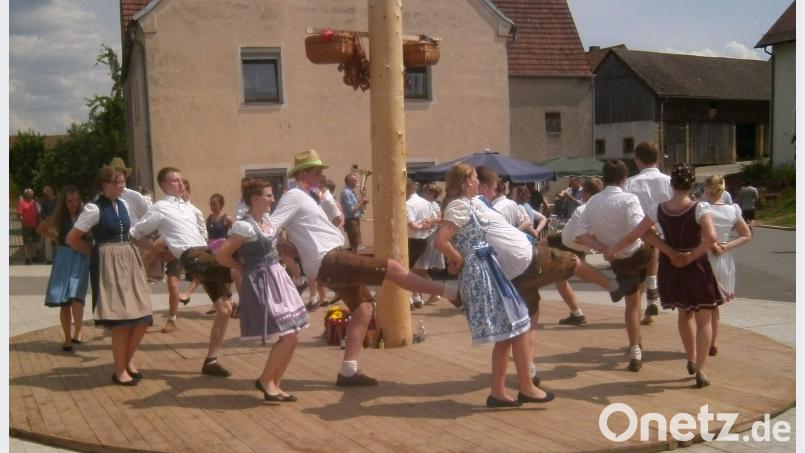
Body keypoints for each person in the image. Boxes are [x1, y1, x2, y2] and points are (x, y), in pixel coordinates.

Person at [270, 150, 458, 386]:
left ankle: (349, 370)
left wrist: (295, 249)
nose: (321, 175)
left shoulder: (307, 197)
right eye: (317, 171)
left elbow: (308, 234)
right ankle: (451, 292)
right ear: (303, 173)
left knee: (364, 309)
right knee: (392, 267)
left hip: (330, 259)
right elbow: (270, 226)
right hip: (330, 260)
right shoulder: (294, 196)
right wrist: (279, 244)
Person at [474, 166, 624, 383]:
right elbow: (527, 222)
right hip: (527, 259)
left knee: (529, 318)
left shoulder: (483, 207)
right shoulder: (485, 206)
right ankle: (612, 286)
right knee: (571, 263)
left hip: (508, 271)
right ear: (486, 186)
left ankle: (528, 372)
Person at [435, 163, 553, 407]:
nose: (478, 180)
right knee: (516, 324)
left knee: (512, 328)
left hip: (487, 267)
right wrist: (458, 258)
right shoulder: (459, 204)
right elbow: (441, 240)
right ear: (468, 180)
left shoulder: (466, 203)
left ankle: (502, 391)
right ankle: (523, 388)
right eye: (476, 177)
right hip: (481, 271)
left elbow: (454, 227)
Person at [605, 163, 722, 388]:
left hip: (671, 266)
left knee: (684, 314)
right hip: (695, 267)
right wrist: (691, 255)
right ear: (692, 184)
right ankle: (700, 368)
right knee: (703, 318)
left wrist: (614, 250)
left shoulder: (658, 209)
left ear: (672, 184)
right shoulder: (700, 208)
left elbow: (638, 234)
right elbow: (711, 238)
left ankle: (690, 358)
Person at [130, 167, 236, 377]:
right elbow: (134, 234)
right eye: (175, 181)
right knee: (238, 271)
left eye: (181, 180)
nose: (180, 184)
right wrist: (157, 248)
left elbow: (201, 235)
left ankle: (211, 360)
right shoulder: (160, 208)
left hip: (206, 253)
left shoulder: (191, 209)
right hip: (192, 257)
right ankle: (260, 309)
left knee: (225, 309)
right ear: (164, 185)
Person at [215, 178, 309, 402]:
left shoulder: (266, 220)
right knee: (287, 334)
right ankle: (266, 380)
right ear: (256, 199)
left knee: (293, 334)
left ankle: (275, 383)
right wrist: (244, 268)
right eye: (268, 195)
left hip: (278, 277)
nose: (272, 199)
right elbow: (222, 255)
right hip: (262, 282)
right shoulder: (245, 226)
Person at [66, 166, 153, 386]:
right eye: (118, 182)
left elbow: (132, 235)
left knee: (142, 316)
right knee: (122, 321)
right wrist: (97, 252)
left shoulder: (123, 204)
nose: (122, 186)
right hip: (110, 264)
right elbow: (72, 239)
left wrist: (156, 248)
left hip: (130, 260)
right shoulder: (94, 209)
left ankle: (128, 361)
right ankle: (119, 370)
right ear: (105, 185)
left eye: (124, 182)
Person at [575, 160, 651, 372]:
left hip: (619, 261)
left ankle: (635, 345)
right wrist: (614, 248)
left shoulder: (593, 202)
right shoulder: (629, 199)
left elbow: (580, 234)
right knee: (636, 301)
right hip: (637, 253)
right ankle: (636, 344)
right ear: (624, 179)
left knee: (632, 303)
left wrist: (604, 248)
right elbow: (638, 229)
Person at [702, 175, 751, 356]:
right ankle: (713, 341)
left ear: (706, 190)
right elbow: (746, 235)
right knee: (714, 305)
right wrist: (725, 246)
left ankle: (702, 341)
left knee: (700, 306)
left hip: (704, 256)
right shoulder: (733, 210)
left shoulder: (702, 209)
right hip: (723, 258)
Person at [624, 141, 672, 326]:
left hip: (639, 234)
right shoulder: (668, 181)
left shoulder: (630, 183)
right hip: (664, 235)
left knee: (637, 277)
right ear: (657, 158)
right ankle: (652, 300)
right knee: (653, 261)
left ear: (637, 160)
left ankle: (640, 314)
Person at [38, 185, 89, 351]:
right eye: (69, 201)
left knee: (76, 295)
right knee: (64, 301)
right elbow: (41, 228)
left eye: (76, 200)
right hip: (64, 257)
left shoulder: (86, 214)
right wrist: (55, 238)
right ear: (64, 203)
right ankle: (67, 338)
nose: (73, 204)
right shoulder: (59, 217)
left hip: (81, 256)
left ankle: (78, 331)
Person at [159, 178, 209, 333]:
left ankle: (224, 304)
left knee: (207, 279)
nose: (181, 192)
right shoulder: (168, 209)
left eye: (184, 189)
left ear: (188, 192)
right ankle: (172, 319)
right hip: (175, 253)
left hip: (192, 252)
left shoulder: (195, 212)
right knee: (173, 285)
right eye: (180, 188)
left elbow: (203, 236)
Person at [182, 193, 234, 313]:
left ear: (221, 205)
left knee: (223, 277)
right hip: (210, 250)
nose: (212, 206)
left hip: (222, 250)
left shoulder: (227, 218)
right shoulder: (209, 218)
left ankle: (227, 303)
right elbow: (206, 234)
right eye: (211, 204)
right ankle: (218, 303)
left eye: (215, 204)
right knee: (207, 273)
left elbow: (234, 232)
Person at [406, 179, 435, 309]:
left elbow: (412, 225)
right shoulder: (426, 203)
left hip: (411, 239)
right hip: (423, 240)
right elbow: (434, 220)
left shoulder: (408, 204)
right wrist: (427, 228)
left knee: (406, 270)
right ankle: (416, 297)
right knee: (413, 269)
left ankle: (410, 299)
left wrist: (420, 227)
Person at [417, 182, 446, 304]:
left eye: (428, 192)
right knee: (418, 269)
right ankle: (419, 295)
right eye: (424, 192)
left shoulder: (434, 205)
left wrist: (430, 220)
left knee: (419, 269)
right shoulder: (424, 204)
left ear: (433, 193)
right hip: (424, 236)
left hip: (429, 237)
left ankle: (433, 292)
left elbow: (441, 219)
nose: (425, 194)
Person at [340, 173, 368, 252]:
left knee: (356, 244)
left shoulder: (351, 192)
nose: (357, 182)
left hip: (354, 220)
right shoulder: (346, 193)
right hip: (350, 220)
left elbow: (355, 206)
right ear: (349, 182)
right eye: (355, 181)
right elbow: (351, 210)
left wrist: (362, 204)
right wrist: (362, 203)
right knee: (355, 245)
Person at [16, 188, 40, 265]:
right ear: (26, 194)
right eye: (30, 194)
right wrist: (23, 221)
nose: (32, 195)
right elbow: (19, 214)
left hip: (35, 225)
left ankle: (34, 256)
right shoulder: (21, 203)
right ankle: (27, 258)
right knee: (26, 242)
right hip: (26, 225)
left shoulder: (34, 202)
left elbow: (37, 213)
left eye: (32, 194)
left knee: (35, 241)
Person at [39, 185, 57, 264]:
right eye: (46, 193)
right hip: (48, 224)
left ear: (51, 191)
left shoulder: (58, 201)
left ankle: (58, 257)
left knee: (58, 240)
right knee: (48, 242)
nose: (47, 194)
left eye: (48, 192)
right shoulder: (44, 202)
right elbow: (42, 213)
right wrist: (46, 217)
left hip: (57, 224)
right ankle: (49, 259)